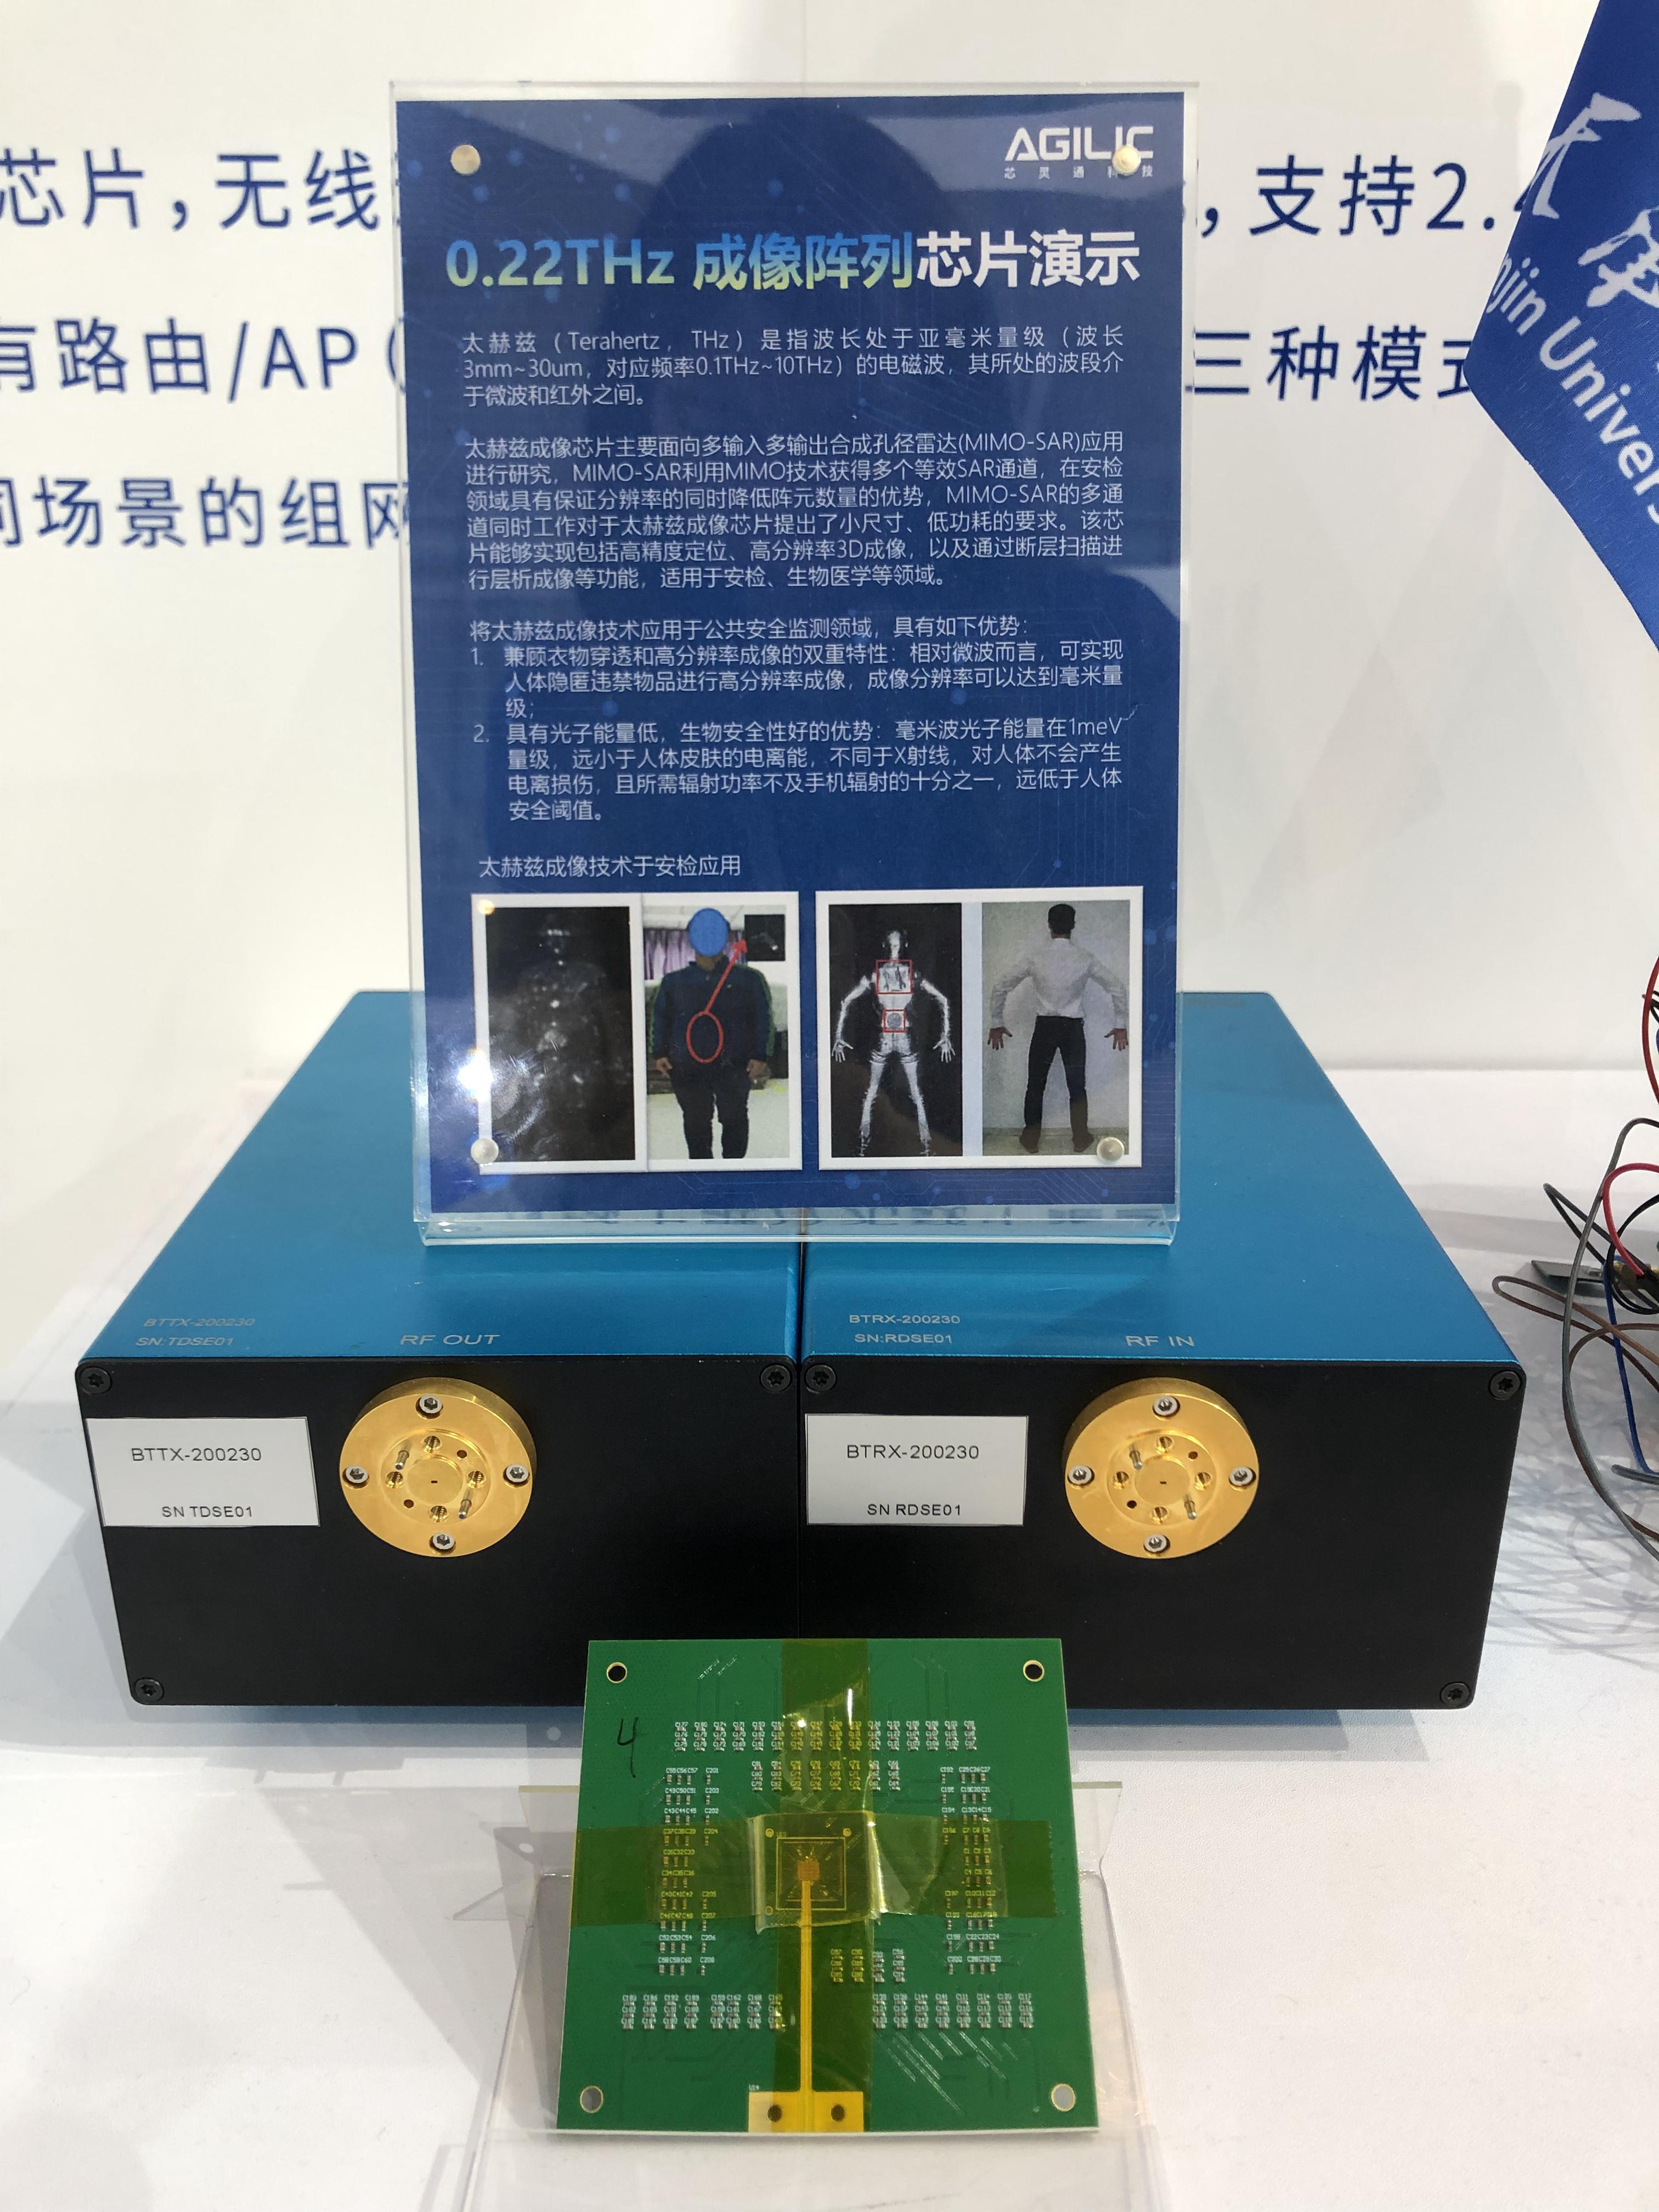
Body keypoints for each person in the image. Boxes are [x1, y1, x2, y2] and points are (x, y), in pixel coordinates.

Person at [988, 904, 1127, 1153]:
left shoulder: (1036, 957)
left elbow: (1001, 987)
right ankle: (1081, 1139)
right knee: (1077, 1087)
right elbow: (1117, 987)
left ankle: (1031, 1139)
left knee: (1035, 1085)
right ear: (1073, 926)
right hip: (1073, 1030)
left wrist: (997, 1022)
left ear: (1049, 926)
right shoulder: (1085, 958)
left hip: (1045, 1028)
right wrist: (1120, 1025)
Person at [651, 908, 773, 1160]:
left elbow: (763, 1019)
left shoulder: (749, 980)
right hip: (687, 1066)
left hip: (734, 1064)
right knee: (696, 1121)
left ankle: (733, 1173)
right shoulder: (674, 983)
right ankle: (702, 1173)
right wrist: (659, 1052)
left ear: (726, 937)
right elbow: (662, 1018)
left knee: (734, 1119)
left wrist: (760, 1054)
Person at [832, 927, 955, 1155]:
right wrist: (839, 1037)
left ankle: (925, 1147)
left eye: (896, 945)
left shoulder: (909, 976)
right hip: (886, 1038)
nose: (893, 950)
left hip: (901, 1037)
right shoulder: (879, 976)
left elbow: (943, 1000)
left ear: (902, 946)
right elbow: (847, 1001)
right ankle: (864, 1147)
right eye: (891, 946)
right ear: (886, 947)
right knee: (874, 1092)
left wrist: (945, 1036)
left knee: (912, 1093)